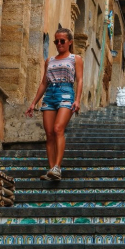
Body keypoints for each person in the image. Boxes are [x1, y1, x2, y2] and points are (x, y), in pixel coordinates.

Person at [25, 28, 83, 180]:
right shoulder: (49, 60)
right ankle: (51, 171)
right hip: (49, 95)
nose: (59, 44)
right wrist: (33, 103)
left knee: (58, 128)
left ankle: (57, 167)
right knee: (49, 134)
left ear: (70, 42)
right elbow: (44, 82)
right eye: (56, 41)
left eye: (62, 41)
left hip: (66, 93)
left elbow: (80, 80)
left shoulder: (75, 58)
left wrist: (77, 100)